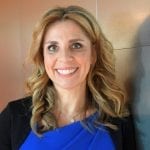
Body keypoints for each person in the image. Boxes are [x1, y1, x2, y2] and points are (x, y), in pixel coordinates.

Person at [0, 5, 137, 150]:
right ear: (43, 57)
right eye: (53, 47)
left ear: (93, 55)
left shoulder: (118, 118)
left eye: (76, 45)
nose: (64, 58)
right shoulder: (14, 117)